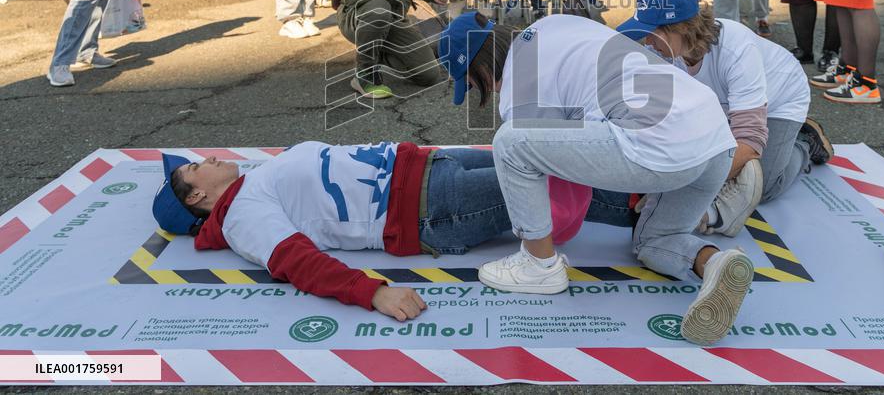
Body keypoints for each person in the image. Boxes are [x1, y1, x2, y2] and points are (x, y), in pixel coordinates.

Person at [438, 11, 754, 346]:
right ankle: (715, 263)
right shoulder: (552, 24)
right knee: (654, 242)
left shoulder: (521, 91)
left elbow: (567, 215)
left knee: (511, 141)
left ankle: (538, 266)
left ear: (482, 68)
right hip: (714, 138)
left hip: (661, 145)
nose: (477, 92)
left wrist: (538, 231)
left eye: (471, 84)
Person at [152, 143, 633, 322]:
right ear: (196, 199)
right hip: (428, 206)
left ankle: (655, 201)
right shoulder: (241, 217)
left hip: (422, 164)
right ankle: (661, 211)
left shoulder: (251, 180)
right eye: (198, 168)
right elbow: (295, 261)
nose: (210, 158)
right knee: (549, 181)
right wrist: (372, 293)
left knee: (543, 160)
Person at [617, 0, 834, 235]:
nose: (646, 41)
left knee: (765, 187)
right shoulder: (665, 51)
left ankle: (804, 141)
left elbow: (751, 140)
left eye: (652, 32)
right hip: (724, 101)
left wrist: (689, 190)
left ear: (681, 28)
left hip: (780, 98)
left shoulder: (736, 48)